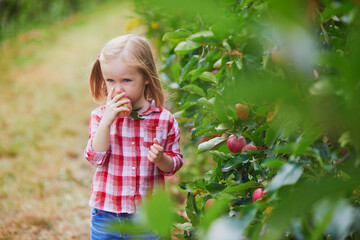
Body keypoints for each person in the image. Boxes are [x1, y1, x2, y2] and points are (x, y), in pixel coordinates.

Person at [84, 34, 183, 240]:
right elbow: (96, 157)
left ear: (146, 77)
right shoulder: (101, 116)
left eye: (126, 80)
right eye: (110, 81)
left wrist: (161, 159)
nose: (117, 89)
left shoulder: (164, 120)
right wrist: (107, 122)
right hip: (106, 214)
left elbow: (174, 165)